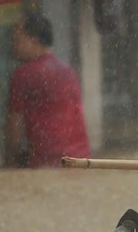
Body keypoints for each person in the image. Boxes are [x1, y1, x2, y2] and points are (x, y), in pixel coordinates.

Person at [6, 13, 91, 168]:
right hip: (81, 159)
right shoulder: (68, 71)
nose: (12, 44)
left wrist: (8, 167)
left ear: (34, 41)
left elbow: (14, 132)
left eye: (17, 39)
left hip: (48, 163)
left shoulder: (23, 75)